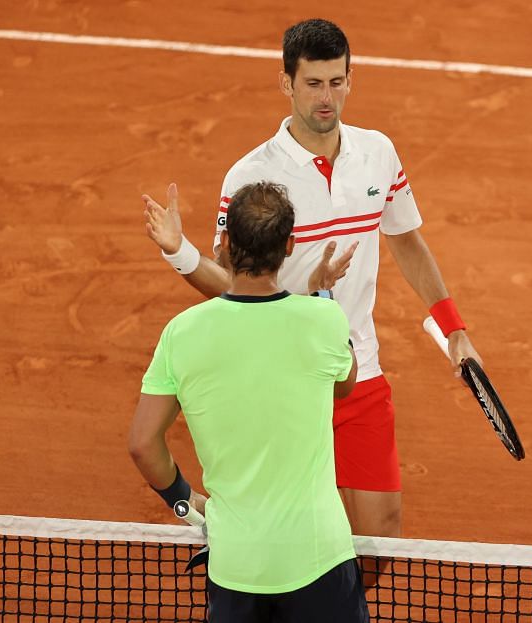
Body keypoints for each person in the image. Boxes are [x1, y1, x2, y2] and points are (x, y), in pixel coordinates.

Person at [142, 18, 482, 541]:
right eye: (313, 84)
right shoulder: (250, 177)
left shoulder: (378, 154)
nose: (327, 98)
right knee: (288, 532)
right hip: (285, 372)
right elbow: (233, 286)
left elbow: (407, 241)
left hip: (356, 369)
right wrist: (179, 253)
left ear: (351, 79)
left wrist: (454, 327)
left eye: (337, 82)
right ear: (287, 84)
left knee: (378, 535)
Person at [129, 181, 369, 623]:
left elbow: (144, 444)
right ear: (290, 246)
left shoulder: (182, 332)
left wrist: (185, 504)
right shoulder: (323, 321)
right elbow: (346, 384)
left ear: (224, 244)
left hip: (236, 567)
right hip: (319, 560)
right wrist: (320, 294)